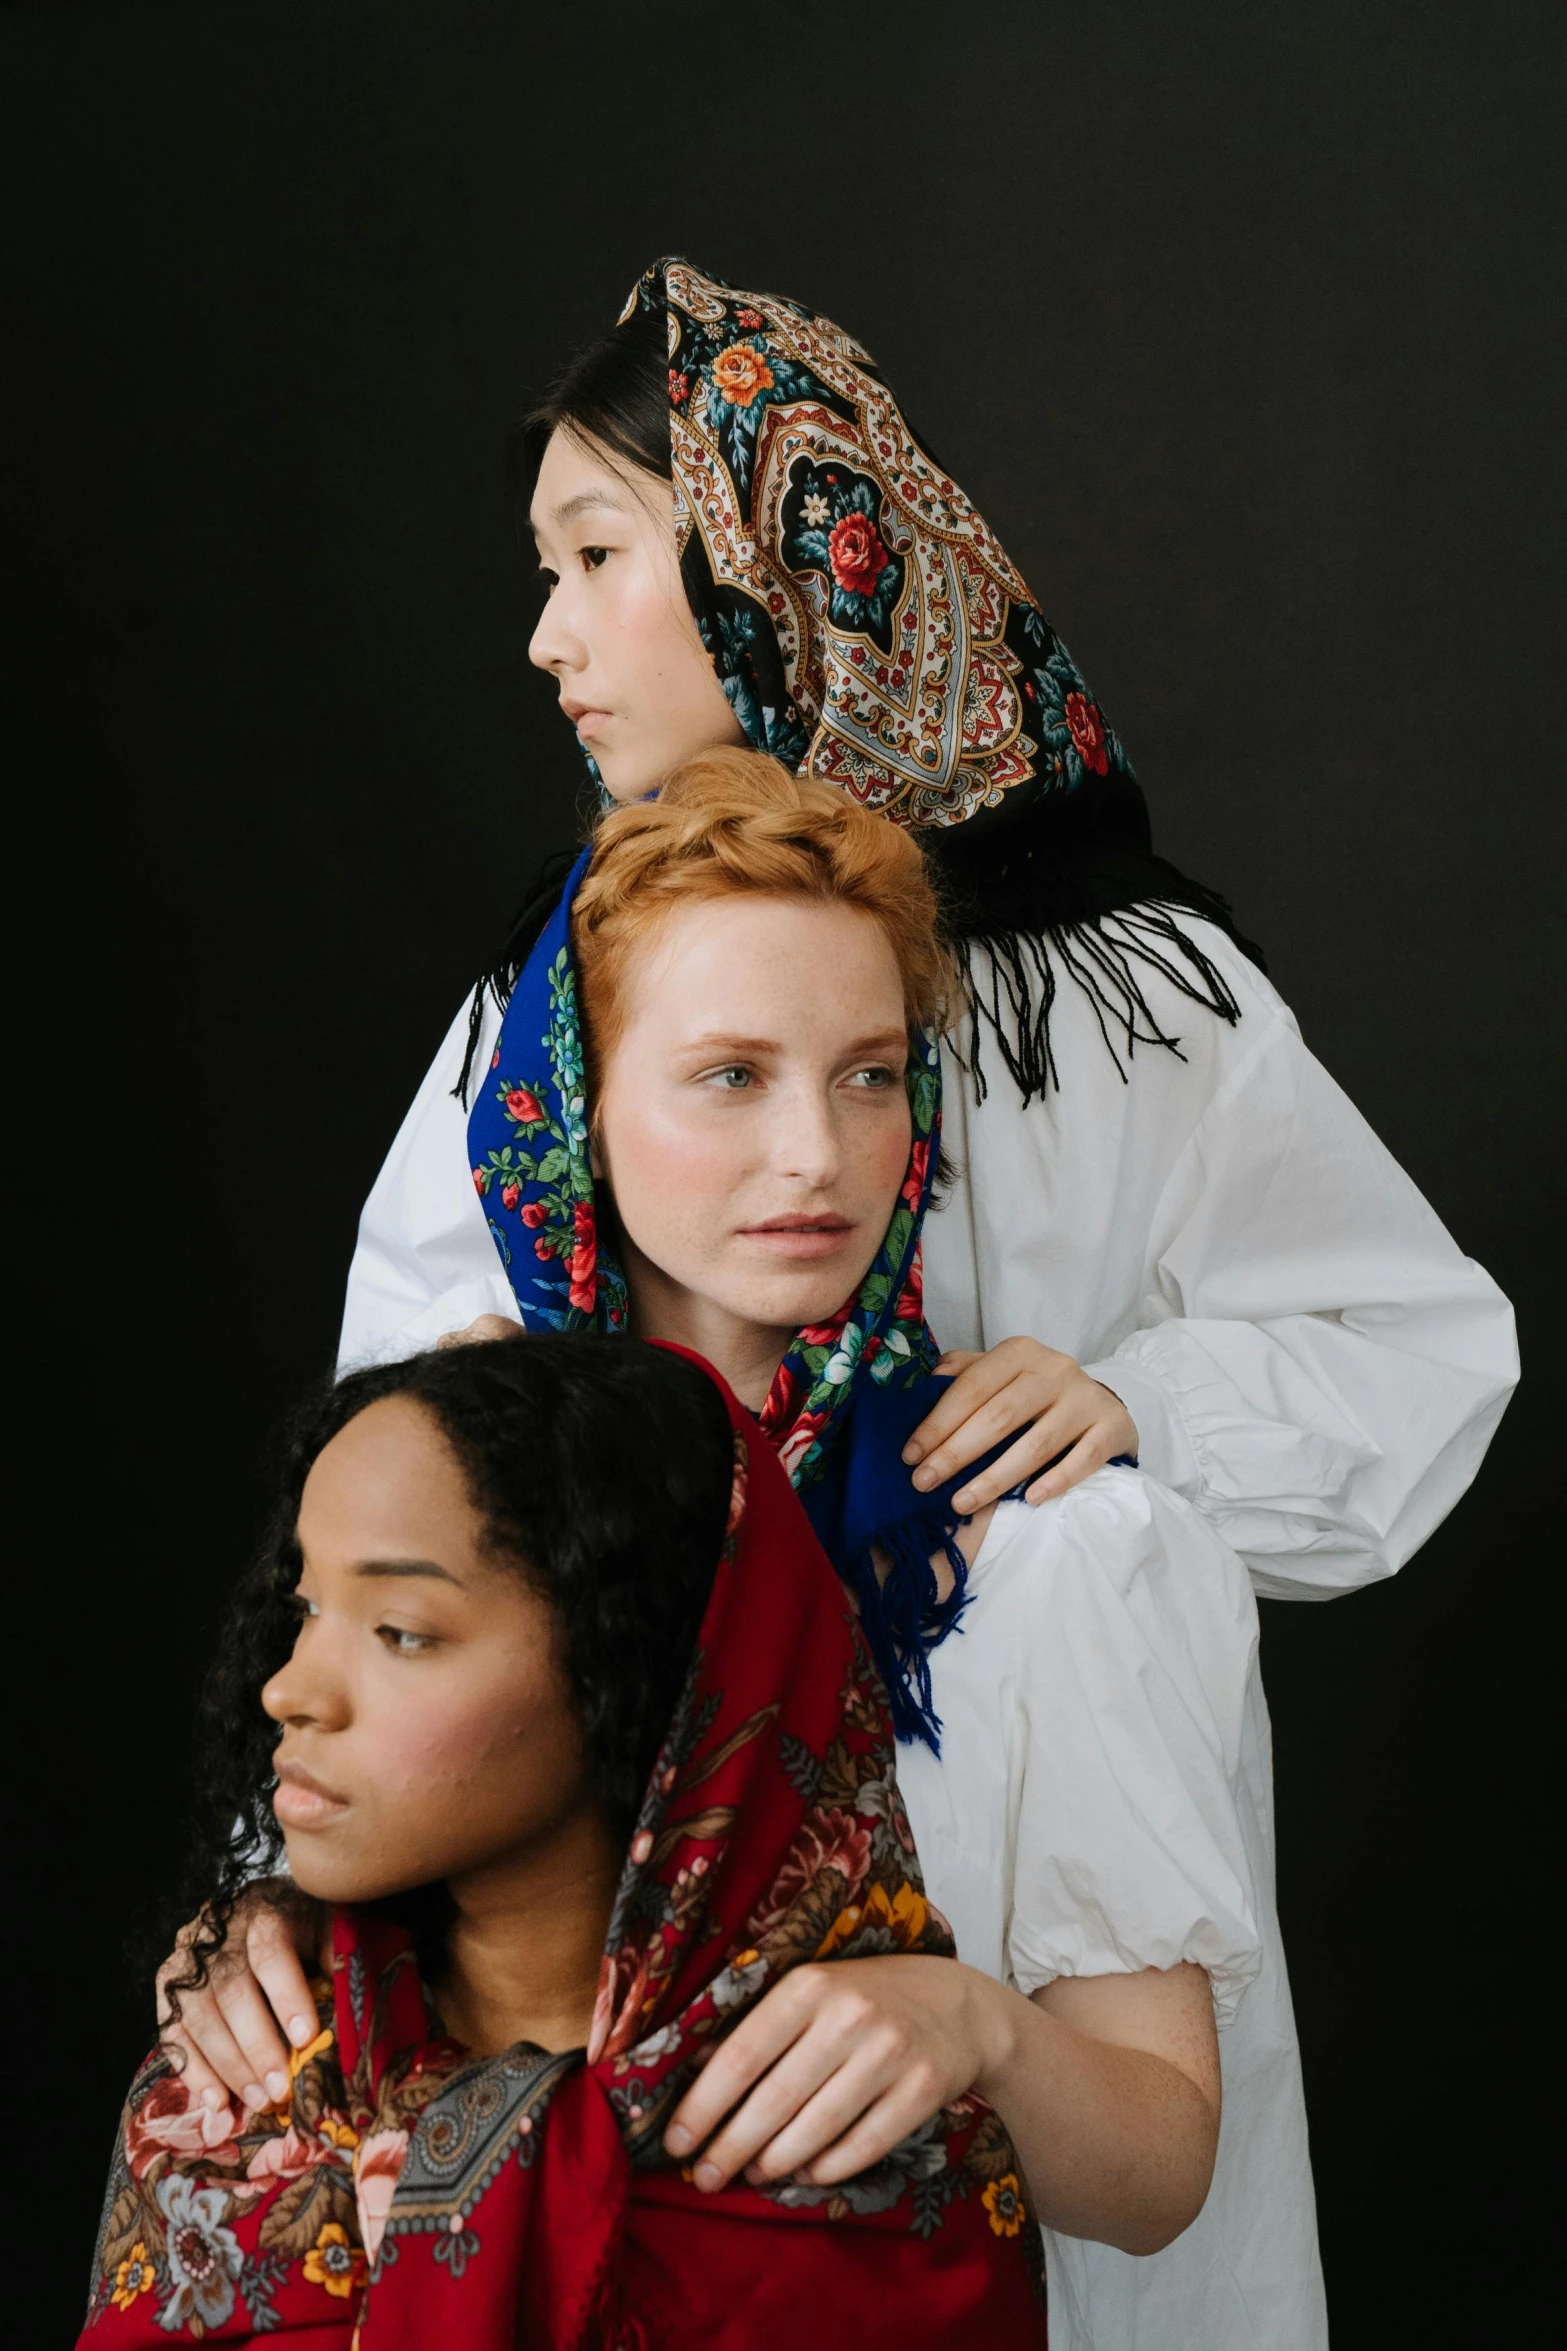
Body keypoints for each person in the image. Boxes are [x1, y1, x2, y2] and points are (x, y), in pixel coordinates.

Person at [158, 756, 1290, 2345]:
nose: (819, 1157)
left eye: (869, 1072)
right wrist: (270, 1942)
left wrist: (976, 2028)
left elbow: (1161, 2161)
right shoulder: (458, 1490)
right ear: (578, 1103)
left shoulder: (1046, 1545)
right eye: (730, 1074)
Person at [83, 1336, 1047, 2346]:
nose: (289, 1688)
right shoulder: (239, 2081)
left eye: (402, 1630)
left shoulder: (881, 2142)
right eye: (307, 1608)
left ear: (630, 1672)